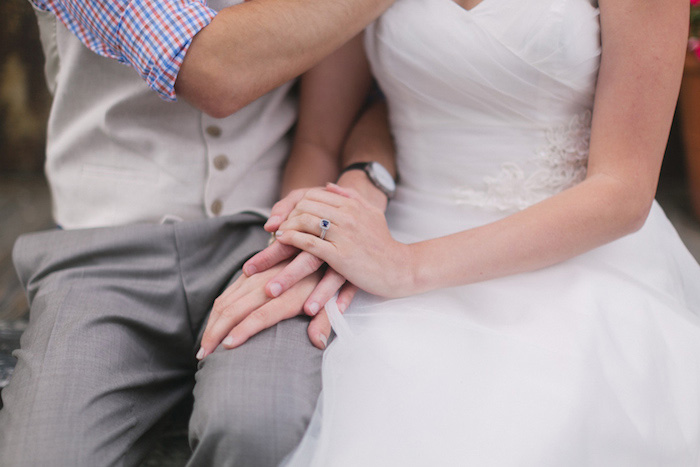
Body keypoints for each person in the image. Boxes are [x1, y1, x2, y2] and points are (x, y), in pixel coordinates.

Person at [243, 0, 700, 464]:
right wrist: (300, 250)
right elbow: (319, 140)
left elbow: (623, 191)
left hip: (576, 253)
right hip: (390, 234)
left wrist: (408, 266)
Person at [0, 0, 396, 465]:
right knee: (46, 455)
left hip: (266, 237)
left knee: (261, 430)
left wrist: (307, 228)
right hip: (101, 250)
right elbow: (212, 67)